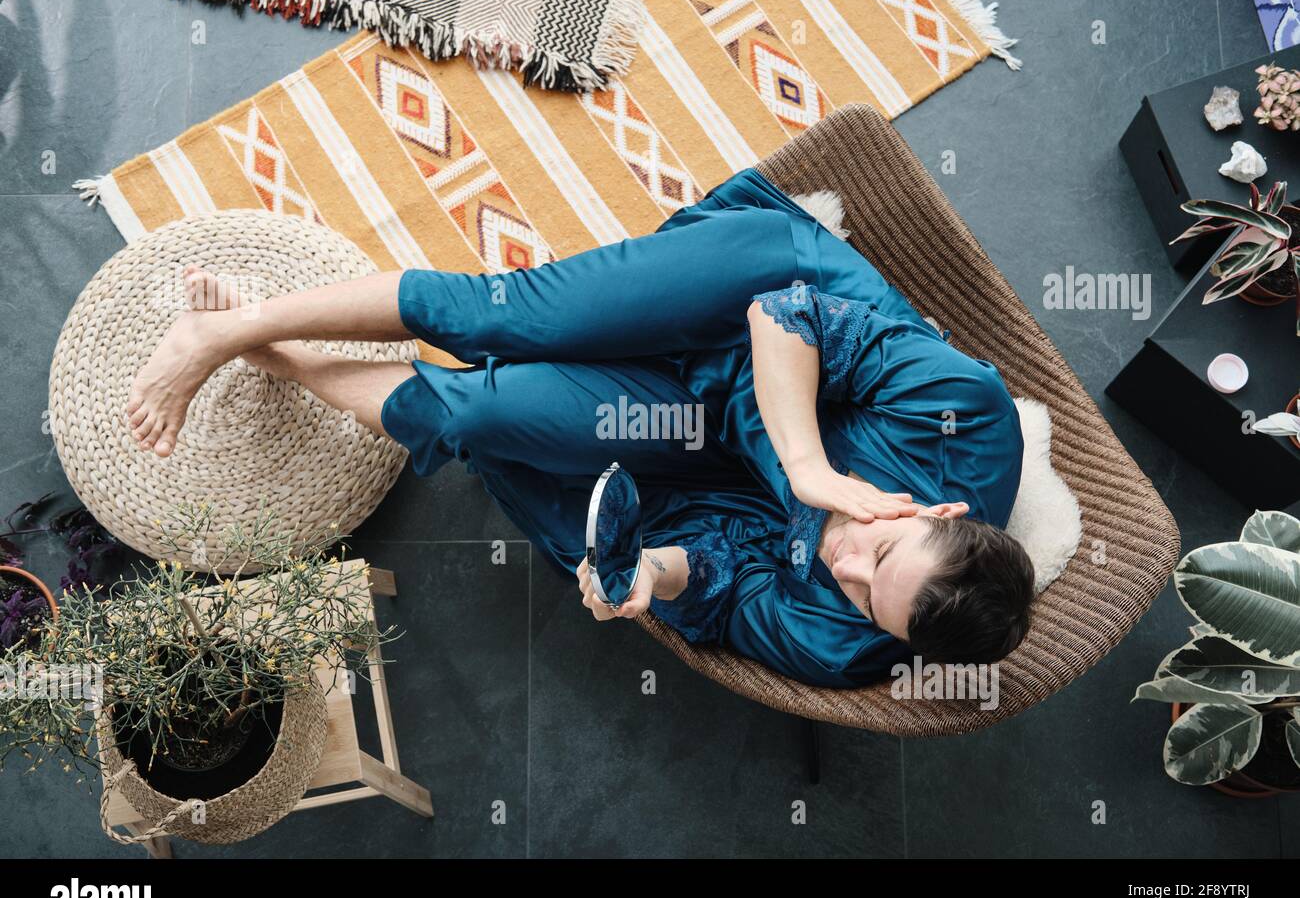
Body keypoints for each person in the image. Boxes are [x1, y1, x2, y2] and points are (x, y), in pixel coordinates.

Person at [126, 167, 1034, 688]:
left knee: (482, 411)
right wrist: (806, 467)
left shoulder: (845, 643)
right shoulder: (968, 425)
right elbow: (787, 315)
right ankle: (234, 327)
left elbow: (719, 579)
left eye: (865, 596)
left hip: (698, 442)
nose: (847, 566)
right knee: (501, 317)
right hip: (745, 299)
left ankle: (278, 356)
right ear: (943, 510)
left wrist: (651, 572)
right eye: (879, 551)